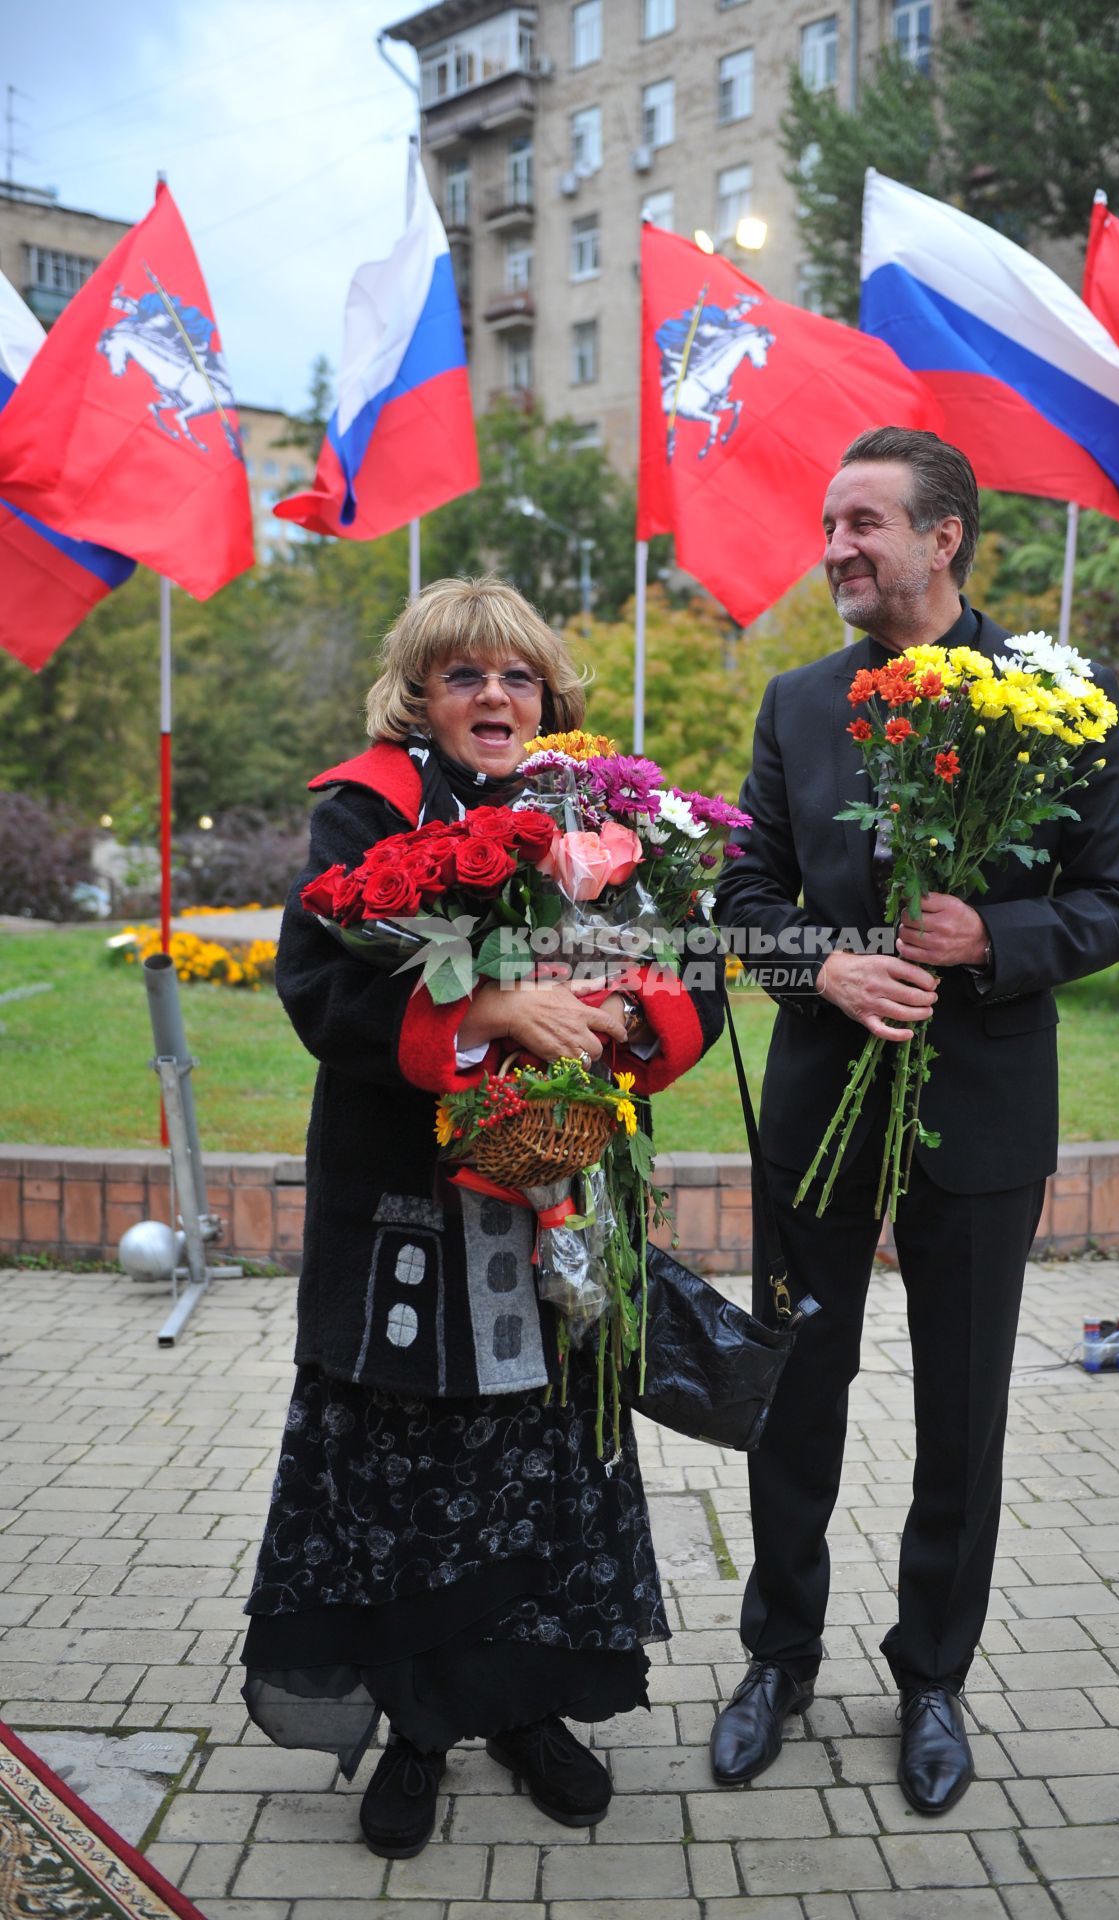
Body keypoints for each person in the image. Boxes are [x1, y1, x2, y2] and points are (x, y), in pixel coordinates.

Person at [241, 575, 721, 1860]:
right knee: (413, 1480)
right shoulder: (367, 808)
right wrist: (492, 1013)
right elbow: (318, 989)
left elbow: (693, 970)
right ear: (420, 694)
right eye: (463, 675)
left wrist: (610, 1018)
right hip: (407, 1204)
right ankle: (413, 1729)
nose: (493, 696)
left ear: (547, 692)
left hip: (559, 1198)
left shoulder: (612, 808)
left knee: (547, 1470)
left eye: (515, 675)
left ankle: (525, 1710)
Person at [712, 427, 1119, 1814]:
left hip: (984, 1113)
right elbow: (744, 901)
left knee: (963, 1413)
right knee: (792, 1392)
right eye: (828, 521)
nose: (836, 545)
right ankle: (777, 1658)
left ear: (942, 535)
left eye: (863, 522)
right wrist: (825, 961)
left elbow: (1115, 904)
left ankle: (932, 1678)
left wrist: (990, 935)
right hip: (819, 1106)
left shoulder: (1056, 699)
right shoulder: (796, 704)